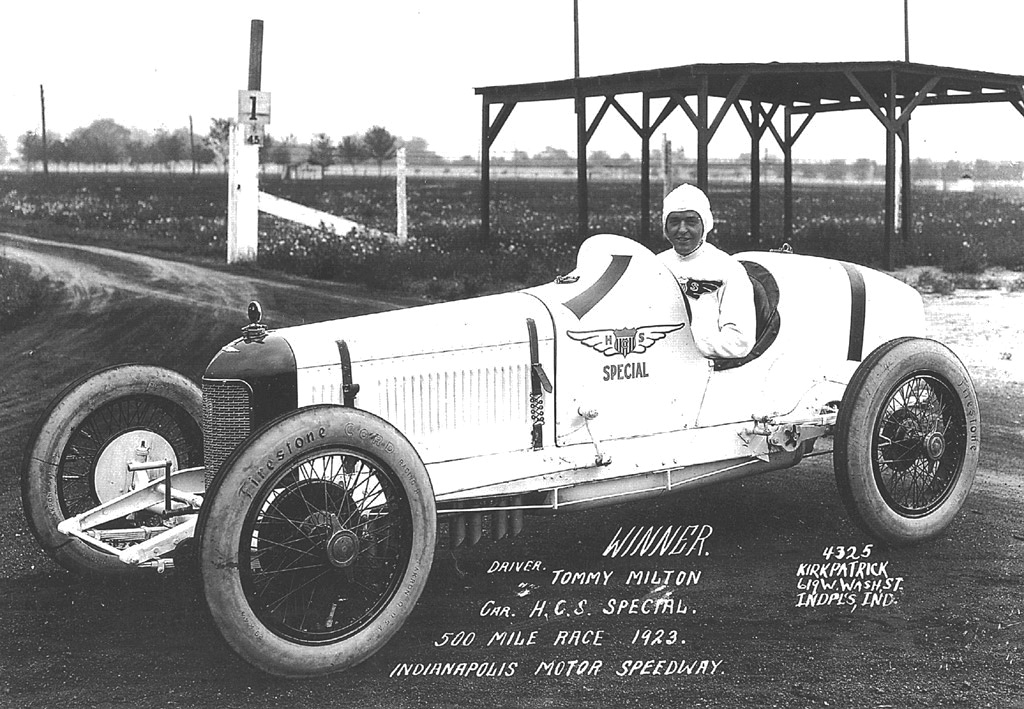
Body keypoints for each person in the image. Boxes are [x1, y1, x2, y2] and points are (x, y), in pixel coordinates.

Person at [657, 184, 755, 359]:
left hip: (709, 371)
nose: (682, 230)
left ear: (705, 224)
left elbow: (739, 341)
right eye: (674, 222)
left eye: (691, 221)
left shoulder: (728, 269)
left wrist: (682, 346)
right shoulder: (655, 265)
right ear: (665, 226)